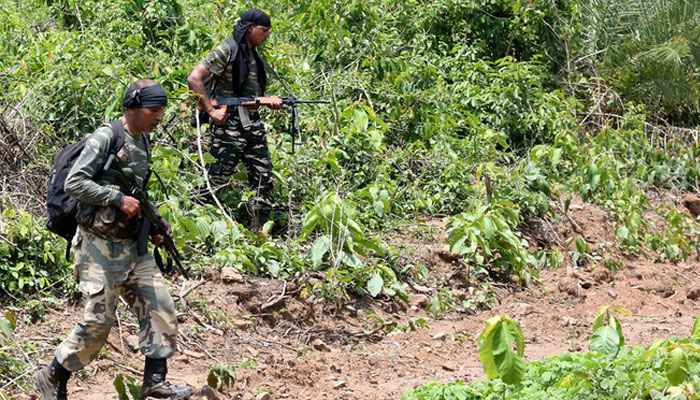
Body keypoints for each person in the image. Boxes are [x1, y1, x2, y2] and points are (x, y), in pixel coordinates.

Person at [33, 79, 193, 400]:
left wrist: (156, 225)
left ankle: (155, 381)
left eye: (163, 110)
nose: (160, 116)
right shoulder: (106, 137)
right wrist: (116, 199)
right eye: (154, 109)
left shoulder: (143, 140)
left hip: (133, 246)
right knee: (97, 324)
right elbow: (75, 183)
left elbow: (137, 189)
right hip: (99, 246)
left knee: (160, 307)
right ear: (133, 107)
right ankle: (53, 376)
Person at [187, 8, 282, 229]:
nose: (267, 35)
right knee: (216, 180)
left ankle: (260, 232)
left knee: (263, 177)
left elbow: (250, 96)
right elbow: (194, 78)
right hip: (227, 124)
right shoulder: (228, 49)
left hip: (251, 123)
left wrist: (269, 101)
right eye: (264, 30)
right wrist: (211, 111)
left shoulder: (253, 54)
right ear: (250, 29)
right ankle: (198, 228)